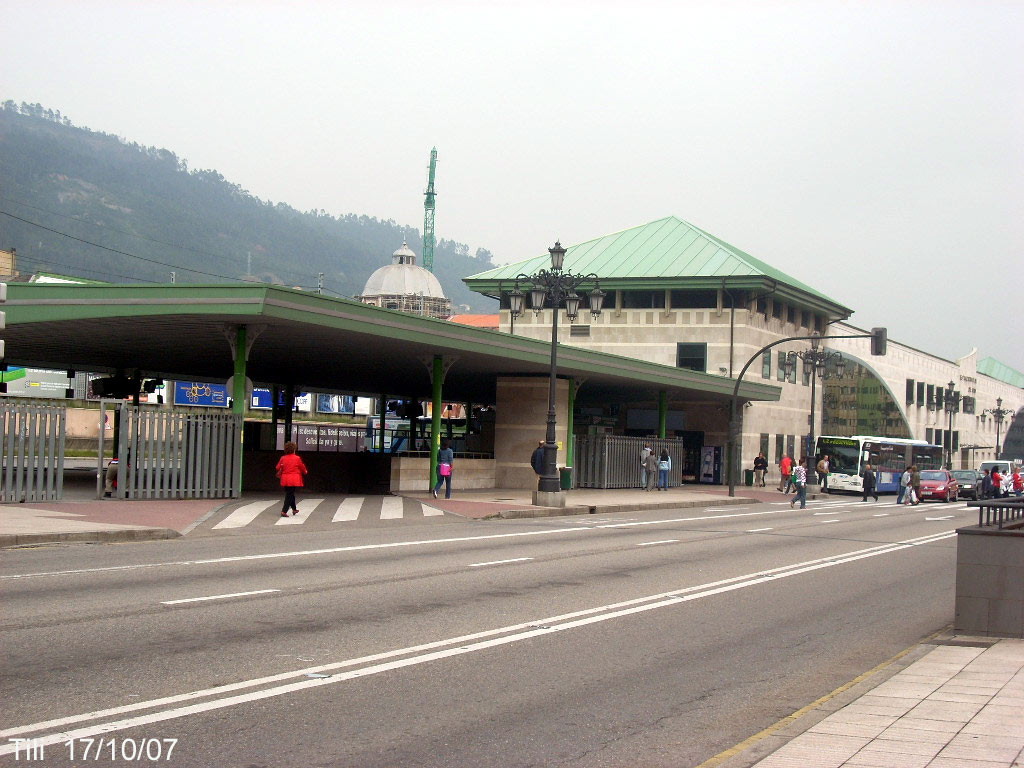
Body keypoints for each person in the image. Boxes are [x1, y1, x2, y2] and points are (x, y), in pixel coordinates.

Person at [276, 441, 308, 516]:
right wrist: (305, 472)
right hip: (294, 479)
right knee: (289, 494)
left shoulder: (283, 458)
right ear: (294, 449)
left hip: (285, 479)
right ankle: (284, 511)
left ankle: (294, 509)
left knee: (290, 493)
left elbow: (277, 467)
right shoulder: (297, 458)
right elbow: (302, 467)